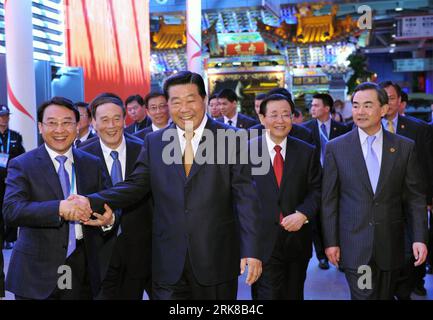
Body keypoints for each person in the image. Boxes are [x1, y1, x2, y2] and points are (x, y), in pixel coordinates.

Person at [68, 71, 262, 300]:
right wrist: (93, 200)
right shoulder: (155, 141)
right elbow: (135, 184)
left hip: (215, 259)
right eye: (176, 102)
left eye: (191, 100)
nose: (184, 108)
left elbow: (246, 197)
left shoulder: (231, 138)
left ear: (204, 99)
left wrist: (251, 250)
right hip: (168, 263)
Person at [321, 82, 428, 300]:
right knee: (364, 296)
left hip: (391, 245)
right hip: (356, 246)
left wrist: (419, 237)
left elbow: (414, 198)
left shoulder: (403, 147)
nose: (360, 112)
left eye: (368, 105)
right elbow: (329, 200)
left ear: (384, 109)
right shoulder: (337, 147)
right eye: (356, 105)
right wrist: (331, 241)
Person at [2, 97, 116, 300]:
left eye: (67, 122)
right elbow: (12, 210)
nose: (60, 130)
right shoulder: (22, 164)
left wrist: (109, 220)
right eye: (52, 123)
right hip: (37, 270)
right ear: (40, 127)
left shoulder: (92, 163)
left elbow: (109, 203)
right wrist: (59, 208)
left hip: (84, 266)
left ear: (77, 125)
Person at [80, 93, 153, 300]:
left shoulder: (144, 149)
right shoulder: (82, 155)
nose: (111, 125)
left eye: (117, 118)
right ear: (93, 122)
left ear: (124, 119)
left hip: (140, 250)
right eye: (104, 120)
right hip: (99, 251)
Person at [250, 94, 321, 299]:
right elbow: (240, 196)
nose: (280, 121)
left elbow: (318, 190)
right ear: (262, 118)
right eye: (274, 115)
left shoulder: (307, 152)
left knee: (294, 294)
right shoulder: (246, 150)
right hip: (261, 242)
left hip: (297, 242)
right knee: (266, 295)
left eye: (286, 115)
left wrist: (303, 214)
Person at [379, 80, 433, 298]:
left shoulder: (418, 129)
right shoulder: (362, 130)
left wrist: (429, 198)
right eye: (382, 98)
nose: (387, 103)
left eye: (391, 98)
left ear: (400, 101)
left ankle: (411, 284)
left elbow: (428, 166)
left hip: (411, 202)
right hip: (381, 205)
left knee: (412, 247)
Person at [303, 93, 349, 270]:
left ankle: (341, 256)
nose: (312, 108)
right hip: (314, 179)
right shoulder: (306, 129)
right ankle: (322, 255)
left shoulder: (342, 129)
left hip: (337, 179)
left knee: (337, 216)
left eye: (316, 105)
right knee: (316, 218)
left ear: (327, 108)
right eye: (311, 105)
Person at [0, 105, 26, 250]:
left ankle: (11, 238)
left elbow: (21, 156)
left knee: (11, 206)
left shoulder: (15, 136)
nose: (4, 118)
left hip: (11, 178)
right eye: (2, 116)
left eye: (6, 116)